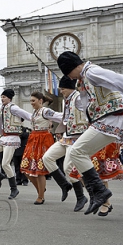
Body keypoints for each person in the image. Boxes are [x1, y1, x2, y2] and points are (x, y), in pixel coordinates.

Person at [58, 51, 123, 214]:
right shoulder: (85, 78)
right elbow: (116, 94)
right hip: (106, 120)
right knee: (79, 154)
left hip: (109, 120)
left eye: (69, 74)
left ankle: (99, 192)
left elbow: (119, 81)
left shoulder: (92, 72)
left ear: (73, 67)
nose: (71, 78)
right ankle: (97, 193)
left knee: (77, 152)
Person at [41, 76, 89, 212]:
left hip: (77, 138)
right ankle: (64, 185)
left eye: (62, 89)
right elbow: (65, 117)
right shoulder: (67, 100)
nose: (60, 91)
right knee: (47, 158)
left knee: (68, 168)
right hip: (66, 137)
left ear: (69, 88)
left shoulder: (79, 98)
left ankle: (81, 197)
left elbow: (89, 109)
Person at [0, 88, 33, 199]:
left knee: (5, 163)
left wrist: (37, 119)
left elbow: (26, 115)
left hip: (12, 138)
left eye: (4, 97)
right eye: (1, 97)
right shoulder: (3, 108)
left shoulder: (13, 107)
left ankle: (14, 188)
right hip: (4, 137)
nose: (2, 98)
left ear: (9, 98)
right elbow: (0, 122)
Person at [20, 92, 62, 204]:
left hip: (42, 139)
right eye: (30, 101)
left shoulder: (45, 111)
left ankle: (40, 196)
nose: (31, 103)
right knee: (25, 168)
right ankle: (41, 189)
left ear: (40, 100)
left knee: (39, 170)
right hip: (33, 139)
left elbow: (59, 116)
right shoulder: (34, 112)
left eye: (33, 101)